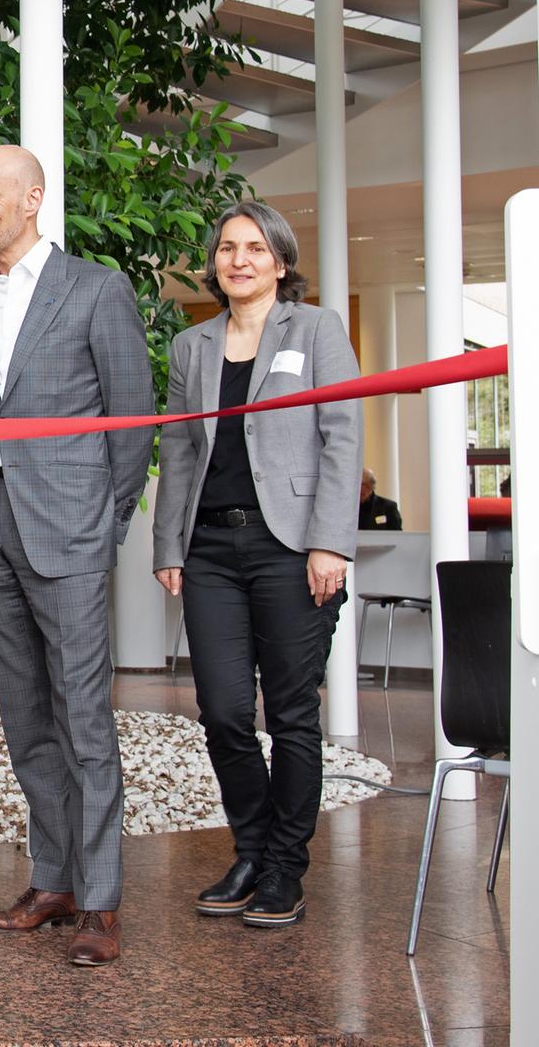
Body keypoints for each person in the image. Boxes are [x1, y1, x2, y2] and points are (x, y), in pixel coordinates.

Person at [0, 144, 152, 967]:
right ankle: (54, 880)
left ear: (32, 198)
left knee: (84, 721)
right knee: (26, 719)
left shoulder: (96, 289)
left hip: (68, 531)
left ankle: (101, 900)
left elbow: (132, 420)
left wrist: (105, 524)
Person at [154, 201, 361, 928]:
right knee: (222, 712)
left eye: (254, 248)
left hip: (293, 547)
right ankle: (251, 849)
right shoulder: (192, 345)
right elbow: (179, 448)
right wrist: (169, 544)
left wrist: (331, 541)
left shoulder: (317, 330)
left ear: (280, 261)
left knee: (293, 713)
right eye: (226, 248)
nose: (237, 260)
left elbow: (343, 436)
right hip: (211, 547)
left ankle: (283, 868)